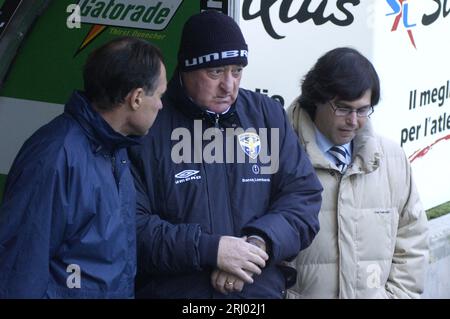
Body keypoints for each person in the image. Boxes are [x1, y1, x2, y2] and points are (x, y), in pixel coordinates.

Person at [128, 10, 323, 299]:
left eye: (237, 71)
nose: (228, 85)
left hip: (257, 293)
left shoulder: (266, 115)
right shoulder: (149, 123)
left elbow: (303, 197)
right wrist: (213, 251)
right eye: (215, 72)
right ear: (185, 70)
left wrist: (259, 244)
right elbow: (131, 226)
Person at [0, 37, 167, 298]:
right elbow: (19, 270)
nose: (160, 105)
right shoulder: (54, 155)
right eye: (159, 95)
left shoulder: (117, 148)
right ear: (136, 98)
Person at [286, 47, 429, 299]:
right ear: (316, 98)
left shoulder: (392, 159)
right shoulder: (278, 157)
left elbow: (412, 240)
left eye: (363, 110)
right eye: (343, 108)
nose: (354, 120)